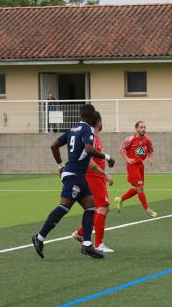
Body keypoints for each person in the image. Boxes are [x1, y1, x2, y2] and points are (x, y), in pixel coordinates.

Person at [31, 104, 115, 259]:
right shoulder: (87, 130)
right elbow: (89, 150)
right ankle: (40, 237)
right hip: (75, 175)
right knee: (64, 207)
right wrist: (108, 158)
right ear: (91, 116)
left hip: (75, 174)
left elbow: (54, 145)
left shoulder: (72, 129)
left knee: (90, 207)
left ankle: (87, 245)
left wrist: (60, 166)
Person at [71, 111, 115, 253]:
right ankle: (98, 244)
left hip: (97, 177)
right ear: (98, 121)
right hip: (93, 177)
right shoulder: (90, 138)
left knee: (99, 208)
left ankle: (80, 233)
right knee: (103, 208)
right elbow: (88, 161)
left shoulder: (95, 137)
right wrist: (105, 174)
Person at [115, 121, 157, 217]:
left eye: (144, 127)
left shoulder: (147, 139)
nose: (143, 129)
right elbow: (121, 150)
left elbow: (151, 150)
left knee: (137, 188)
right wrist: (127, 159)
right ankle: (147, 209)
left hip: (140, 165)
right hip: (132, 166)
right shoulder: (130, 139)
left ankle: (120, 199)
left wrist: (150, 158)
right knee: (140, 188)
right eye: (141, 127)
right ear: (137, 129)